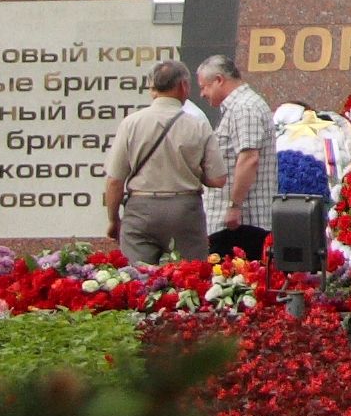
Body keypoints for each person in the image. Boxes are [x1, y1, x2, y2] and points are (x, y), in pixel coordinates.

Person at [102, 59, 225, 264]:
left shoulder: (131, 123)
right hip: (185, 211)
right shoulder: (198, 125)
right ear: (183, 86)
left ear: (153, 89)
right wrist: (193, 170)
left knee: (136, 280)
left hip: (140, 210)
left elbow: (114, 179)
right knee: (190, 279)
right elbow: (218, 179)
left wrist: (113, 220)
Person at [195, 54, 274, 264]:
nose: (202, 94)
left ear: (219, 80)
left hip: (241, 223)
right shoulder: (239, 107)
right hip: (236, 221)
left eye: (204, 87)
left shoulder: (244, 108)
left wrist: (234, 206)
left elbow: (249, 158)